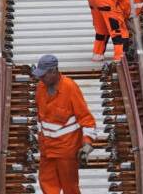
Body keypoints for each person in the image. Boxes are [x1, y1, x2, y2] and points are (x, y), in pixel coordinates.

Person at [33, 55, 96, 193]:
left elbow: (86, 118)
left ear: (54, 71)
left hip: (66, 151)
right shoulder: (41, 88)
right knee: (47, 185)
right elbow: (40, 118)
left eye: (43, 75)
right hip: (47, 149)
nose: (41, 79)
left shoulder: (70, 88)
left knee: (70, 187)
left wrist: (87, 143)